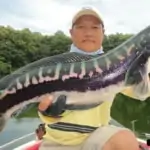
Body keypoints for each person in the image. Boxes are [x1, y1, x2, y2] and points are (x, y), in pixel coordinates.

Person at [36, 6, 142, 150]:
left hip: (97, 138)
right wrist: (47, 112)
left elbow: (140, 92)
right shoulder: (55, 67)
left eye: (94, 27)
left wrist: (143, 67)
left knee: (125, 139)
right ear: (71, 33)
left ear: (103, 33)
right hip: (56, 143)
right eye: (80, 27)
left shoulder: (115, 66)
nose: (88, 33)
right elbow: (42, 108)